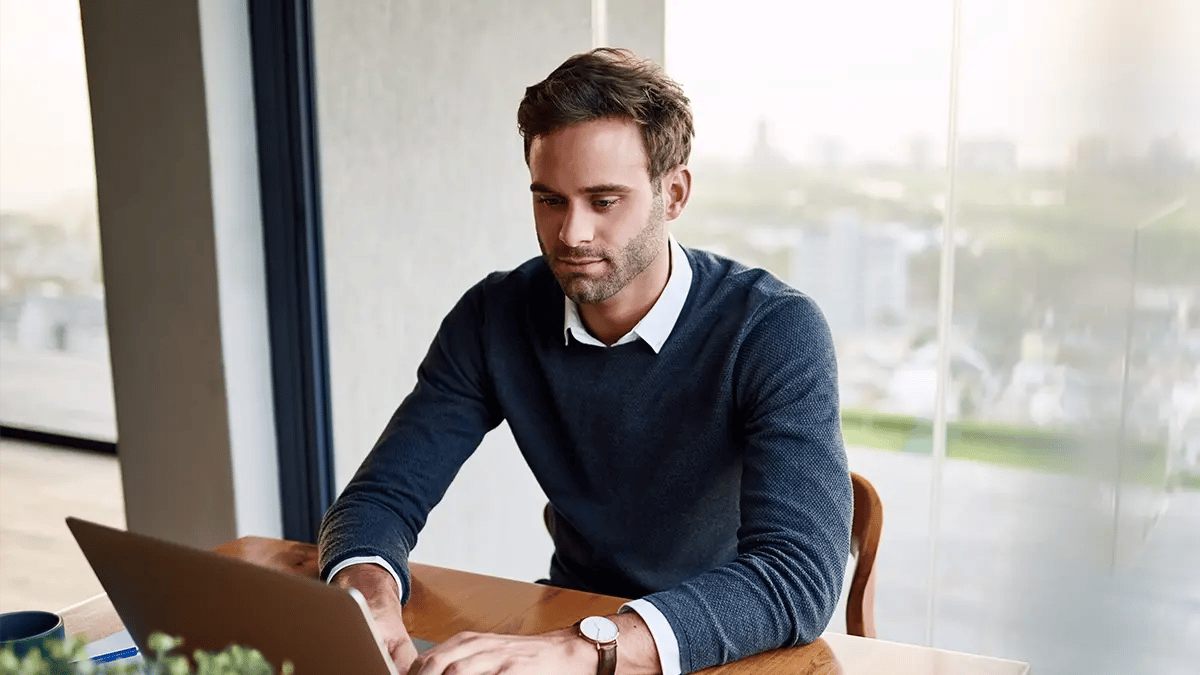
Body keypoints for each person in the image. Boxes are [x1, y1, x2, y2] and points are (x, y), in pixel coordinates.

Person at [318, 47, 852, 675]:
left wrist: (588, 646)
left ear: (673, 193)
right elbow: (380, 498)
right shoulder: (495, 317)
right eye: (550, 200)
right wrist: (366, 597)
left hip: (733, 648)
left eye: (603, 202)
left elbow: (796, 578)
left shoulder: (773, 330)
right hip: (569, 621)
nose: (571, 234)